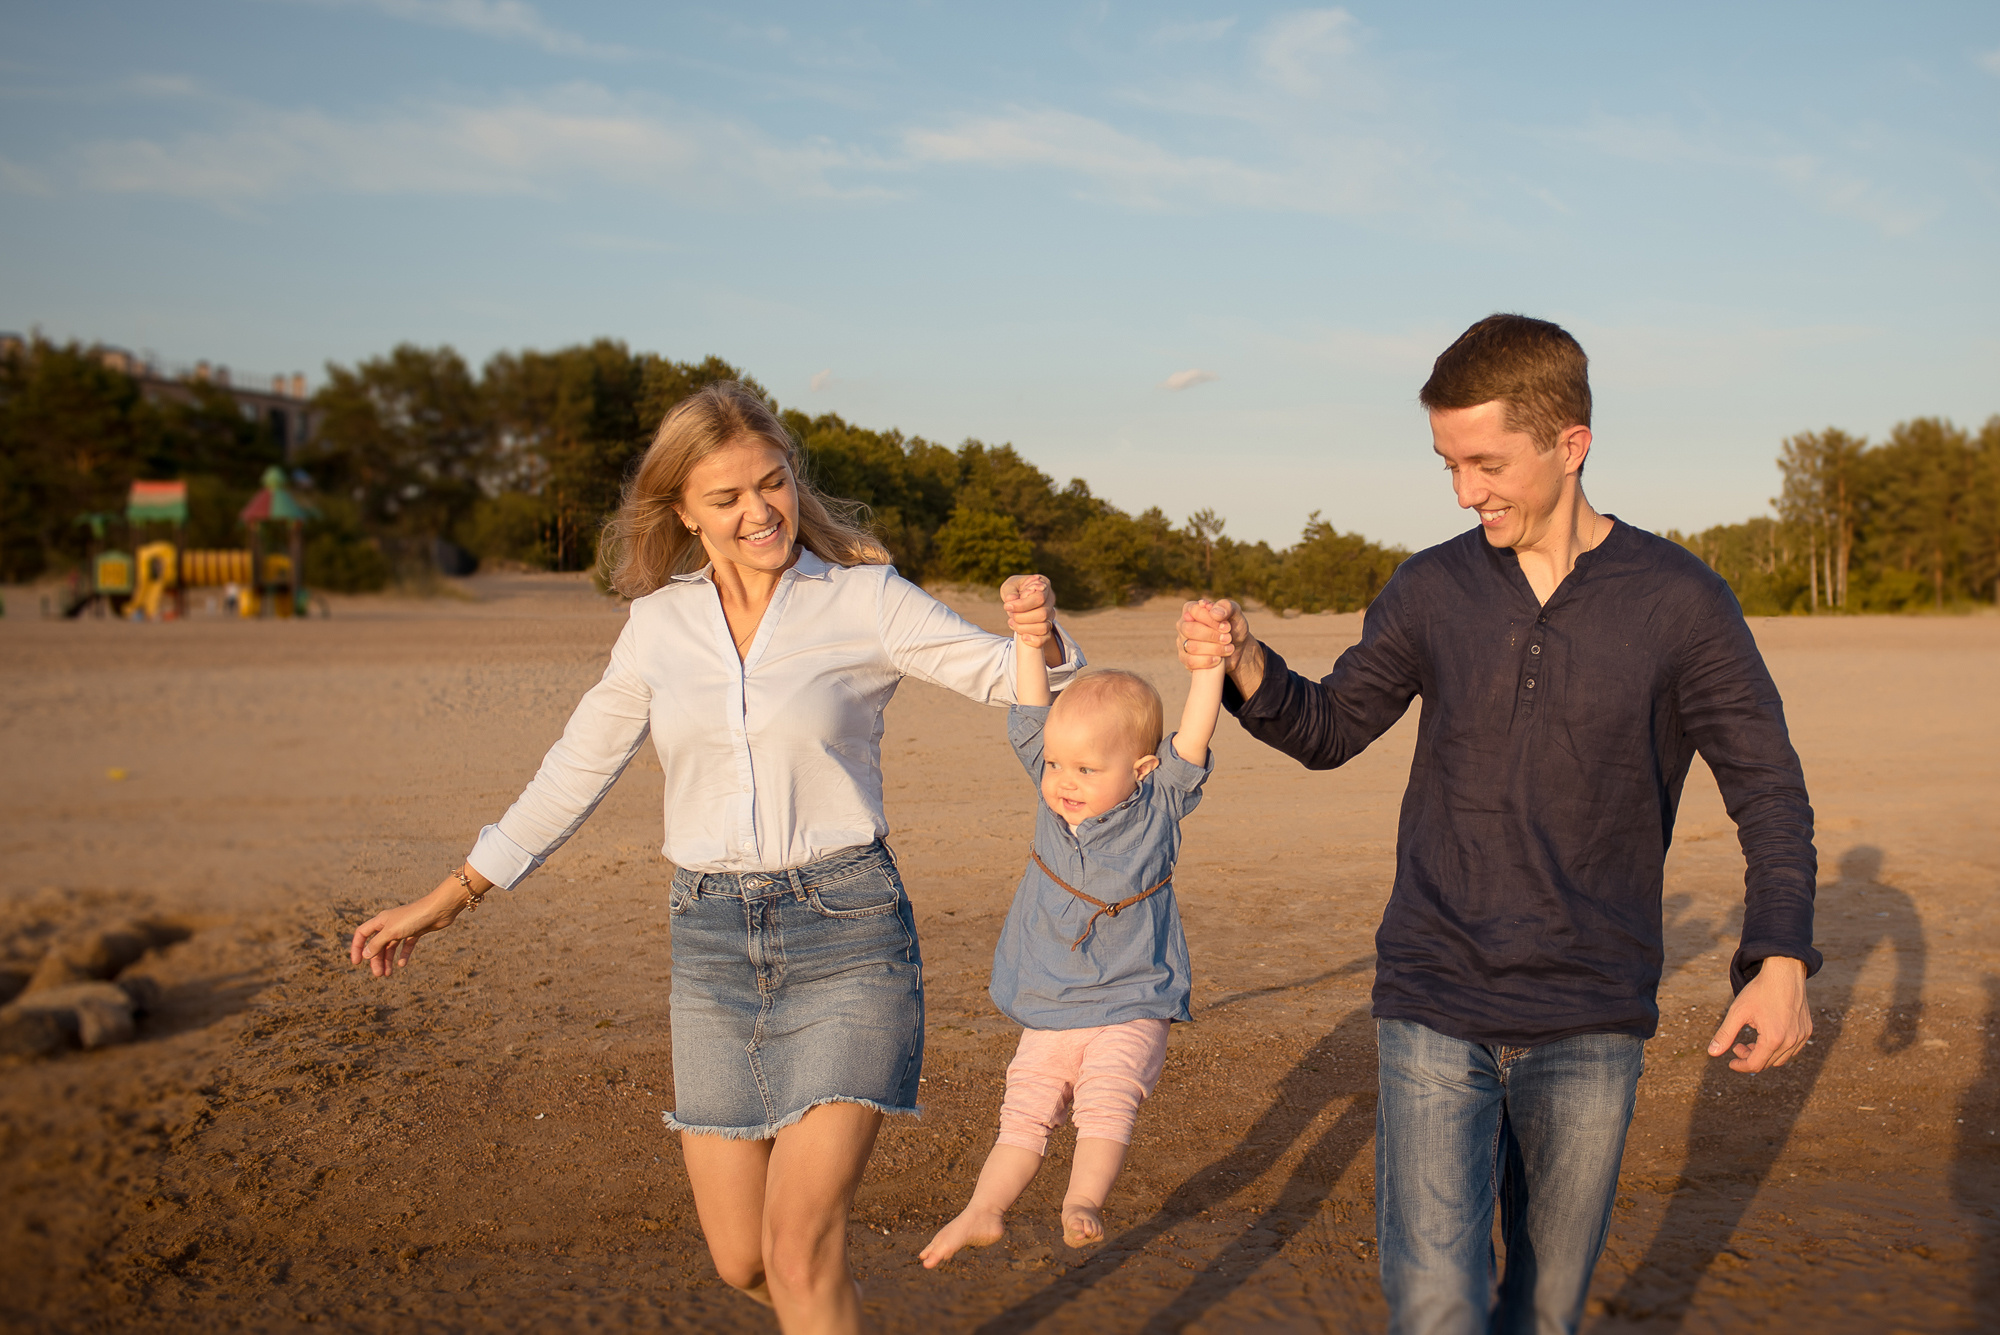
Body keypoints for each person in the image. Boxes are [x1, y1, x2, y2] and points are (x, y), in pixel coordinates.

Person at [348, 382, 1081, 1335]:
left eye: (772, 484)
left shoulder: (861, 598)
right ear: (684, 511)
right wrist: (448, 897)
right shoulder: (659, 626)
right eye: (728, 498)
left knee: (799, 1249)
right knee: (744, 1260)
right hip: (711, 945)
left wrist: (1039, 636)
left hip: (848, 932)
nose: (759, 512)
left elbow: (1015, 678)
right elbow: (575, 768)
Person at [1177, 314, 1820, 1334]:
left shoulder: (1679, 603)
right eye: (1446, 464)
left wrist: (1778, 957)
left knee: (1543, 1311)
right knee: (1435, 1306)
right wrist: (1249, 659)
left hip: (1590, 1010)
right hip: (1434, 992)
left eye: (1484, 463)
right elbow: (1331, 726)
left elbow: (1767, 788)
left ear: (1570, 443)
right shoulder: (1430, 588)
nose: (1463, 491)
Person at [920, 590, 1225, 1268]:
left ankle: (1082, 1200)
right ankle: (985, 1208)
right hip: (1051, 1004)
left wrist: (1209, 666)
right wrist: (1030, 638)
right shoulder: (1051, 796)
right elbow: (1033, 717)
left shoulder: (1161, 804)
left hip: (1129, 1001)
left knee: (1107, 1098)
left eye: (1087, 769)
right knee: (1023, 1111)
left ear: (1142, 769)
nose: (1063, 781)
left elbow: (1194, 734)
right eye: (1058, 765)